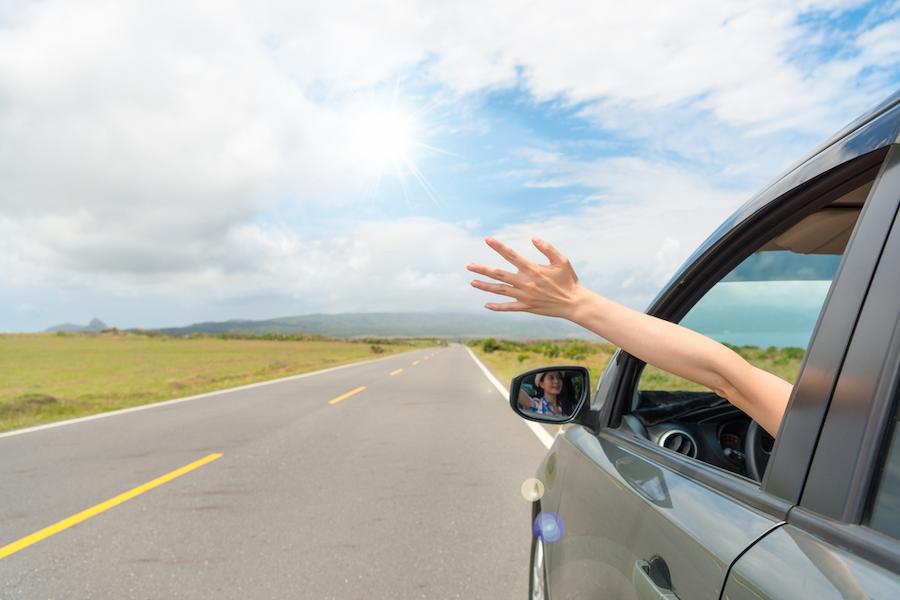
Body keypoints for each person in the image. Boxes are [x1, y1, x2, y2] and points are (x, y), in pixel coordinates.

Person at [467, 236, 791, 437]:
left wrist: (574, 303)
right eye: (548, 379)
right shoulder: (834, 439)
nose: (553, 382)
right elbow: (728, 379)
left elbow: (729, 378)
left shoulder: (822, 433)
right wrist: (573, 302)